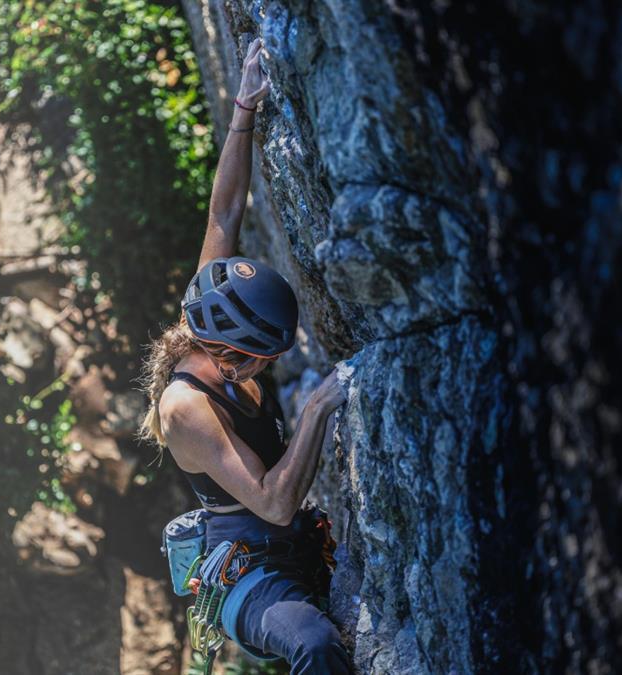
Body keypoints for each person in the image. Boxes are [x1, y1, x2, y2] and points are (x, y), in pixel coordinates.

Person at [137, 38, 351, 675]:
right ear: (231, 355)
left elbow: (224, 213)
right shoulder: (184, 408)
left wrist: (244, 107)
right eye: (262, 359)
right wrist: (317, 409)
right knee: (314, 644)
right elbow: (273, 503)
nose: (268, 367)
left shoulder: (209, 312)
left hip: (289, 547)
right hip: (247, 576)